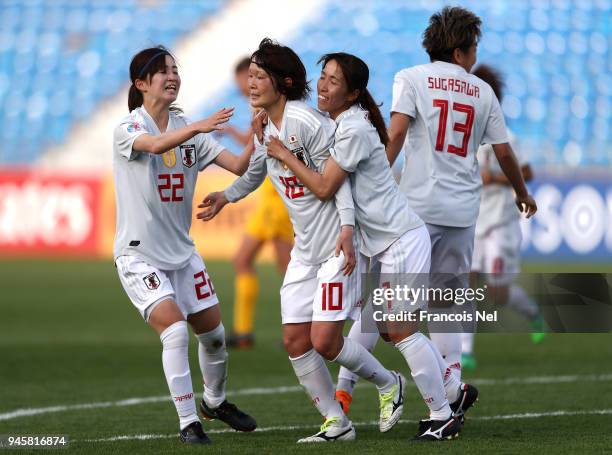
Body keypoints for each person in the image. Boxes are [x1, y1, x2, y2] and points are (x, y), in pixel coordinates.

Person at [199, 38, 405, 443]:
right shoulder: (266, 127)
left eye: (260, 76)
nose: (252, 84)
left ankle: (389, 382)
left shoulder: (306, 123)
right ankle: (336, 422)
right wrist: (227, 196)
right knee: (295, 340)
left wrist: (347, 228)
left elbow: (336, 180)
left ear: (284, 82)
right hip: (305, 248)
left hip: (335, 247)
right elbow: (257, 172)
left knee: (324, 340)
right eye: (251, 76)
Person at [265, 51, 472, 441]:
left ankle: (442, 409)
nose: (323, 86)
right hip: (386, 242)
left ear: (354, 92)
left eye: (333, 81)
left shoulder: (354, 129)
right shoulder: (344, 123)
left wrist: (284, 154)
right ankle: (440, 400)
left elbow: (325, 186)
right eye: (322, 77)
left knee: (401, 329)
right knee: (388, 327)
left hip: (400, 239)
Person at [386, 6, 537, 388]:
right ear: (459, 52)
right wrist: (523, 193)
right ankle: (452, 383)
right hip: (462, 213)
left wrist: (375, 178)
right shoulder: (481, 90)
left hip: (417, 209)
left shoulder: (410, 78)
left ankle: (372, 392)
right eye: (473, 49)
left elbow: (398, 133)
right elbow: (504, 153)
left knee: (393, 309)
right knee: (446, 302)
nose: (474, 58)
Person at [112, 46, 256, 445]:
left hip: (182, 253)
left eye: (175, 69)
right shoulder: (128, 128)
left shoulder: (189, 128)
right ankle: (189, 422)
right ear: (141, 84)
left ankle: (215, 401)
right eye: (162, 71)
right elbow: (156, 146)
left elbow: (240, 165)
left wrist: (263, 133)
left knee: (213, 336)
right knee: (175, 332)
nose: (172, 76)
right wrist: (199, 127)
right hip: (139, 256)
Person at [462, 64, 546, 370]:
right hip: (472, 222)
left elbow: (527, 172)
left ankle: (533, 313)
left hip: (499, 223)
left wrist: (494, 178)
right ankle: (465, 350)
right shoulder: (464, 136)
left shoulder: (505, 136)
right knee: (465, 284)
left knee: (497, 292)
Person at [220, 57, 294, 349]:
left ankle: (302, 328)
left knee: (287, 269)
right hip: (270, 197)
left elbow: (256, 146)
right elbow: (256, 142)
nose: (245, 84)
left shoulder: (263, 103)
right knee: (247, 261)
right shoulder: (261, 105)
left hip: (277, 199)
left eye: (249, 77)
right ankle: (244, 332)